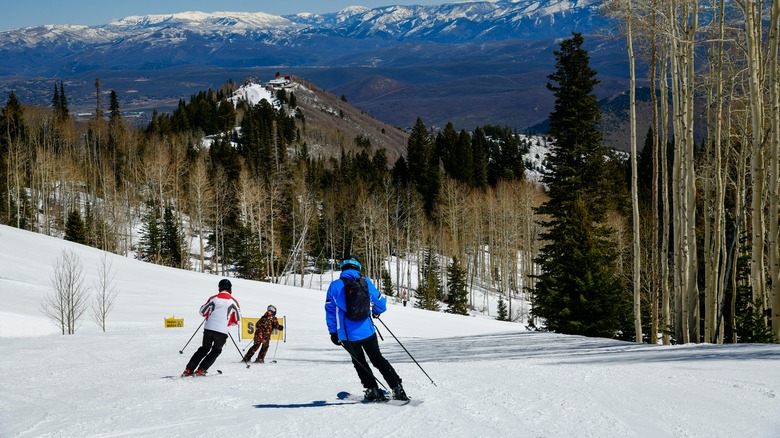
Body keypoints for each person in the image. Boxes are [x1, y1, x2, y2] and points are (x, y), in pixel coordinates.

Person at [325, 255, 409, 401]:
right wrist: (376, 312)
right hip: (367, 331)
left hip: (347, 335)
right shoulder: (366, 282)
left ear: (343, 268)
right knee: (378, 359)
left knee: (359, 362)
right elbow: (381, 303)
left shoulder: (335, 286)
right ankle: (397, 388)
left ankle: (372, 390)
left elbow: (330, 311)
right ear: (358, 267)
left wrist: (333, 333)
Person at [182, 279, 241, 376]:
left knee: (204, 349)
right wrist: (229, 323)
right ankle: (202, 369)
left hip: (209, 328)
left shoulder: (213, 298)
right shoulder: (233, 301)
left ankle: (189, 369)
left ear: (219, 288)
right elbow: (237, 320)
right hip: (222, 331)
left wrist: (209, 315)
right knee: (216, 350)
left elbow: (202, 312)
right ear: (230, 289)